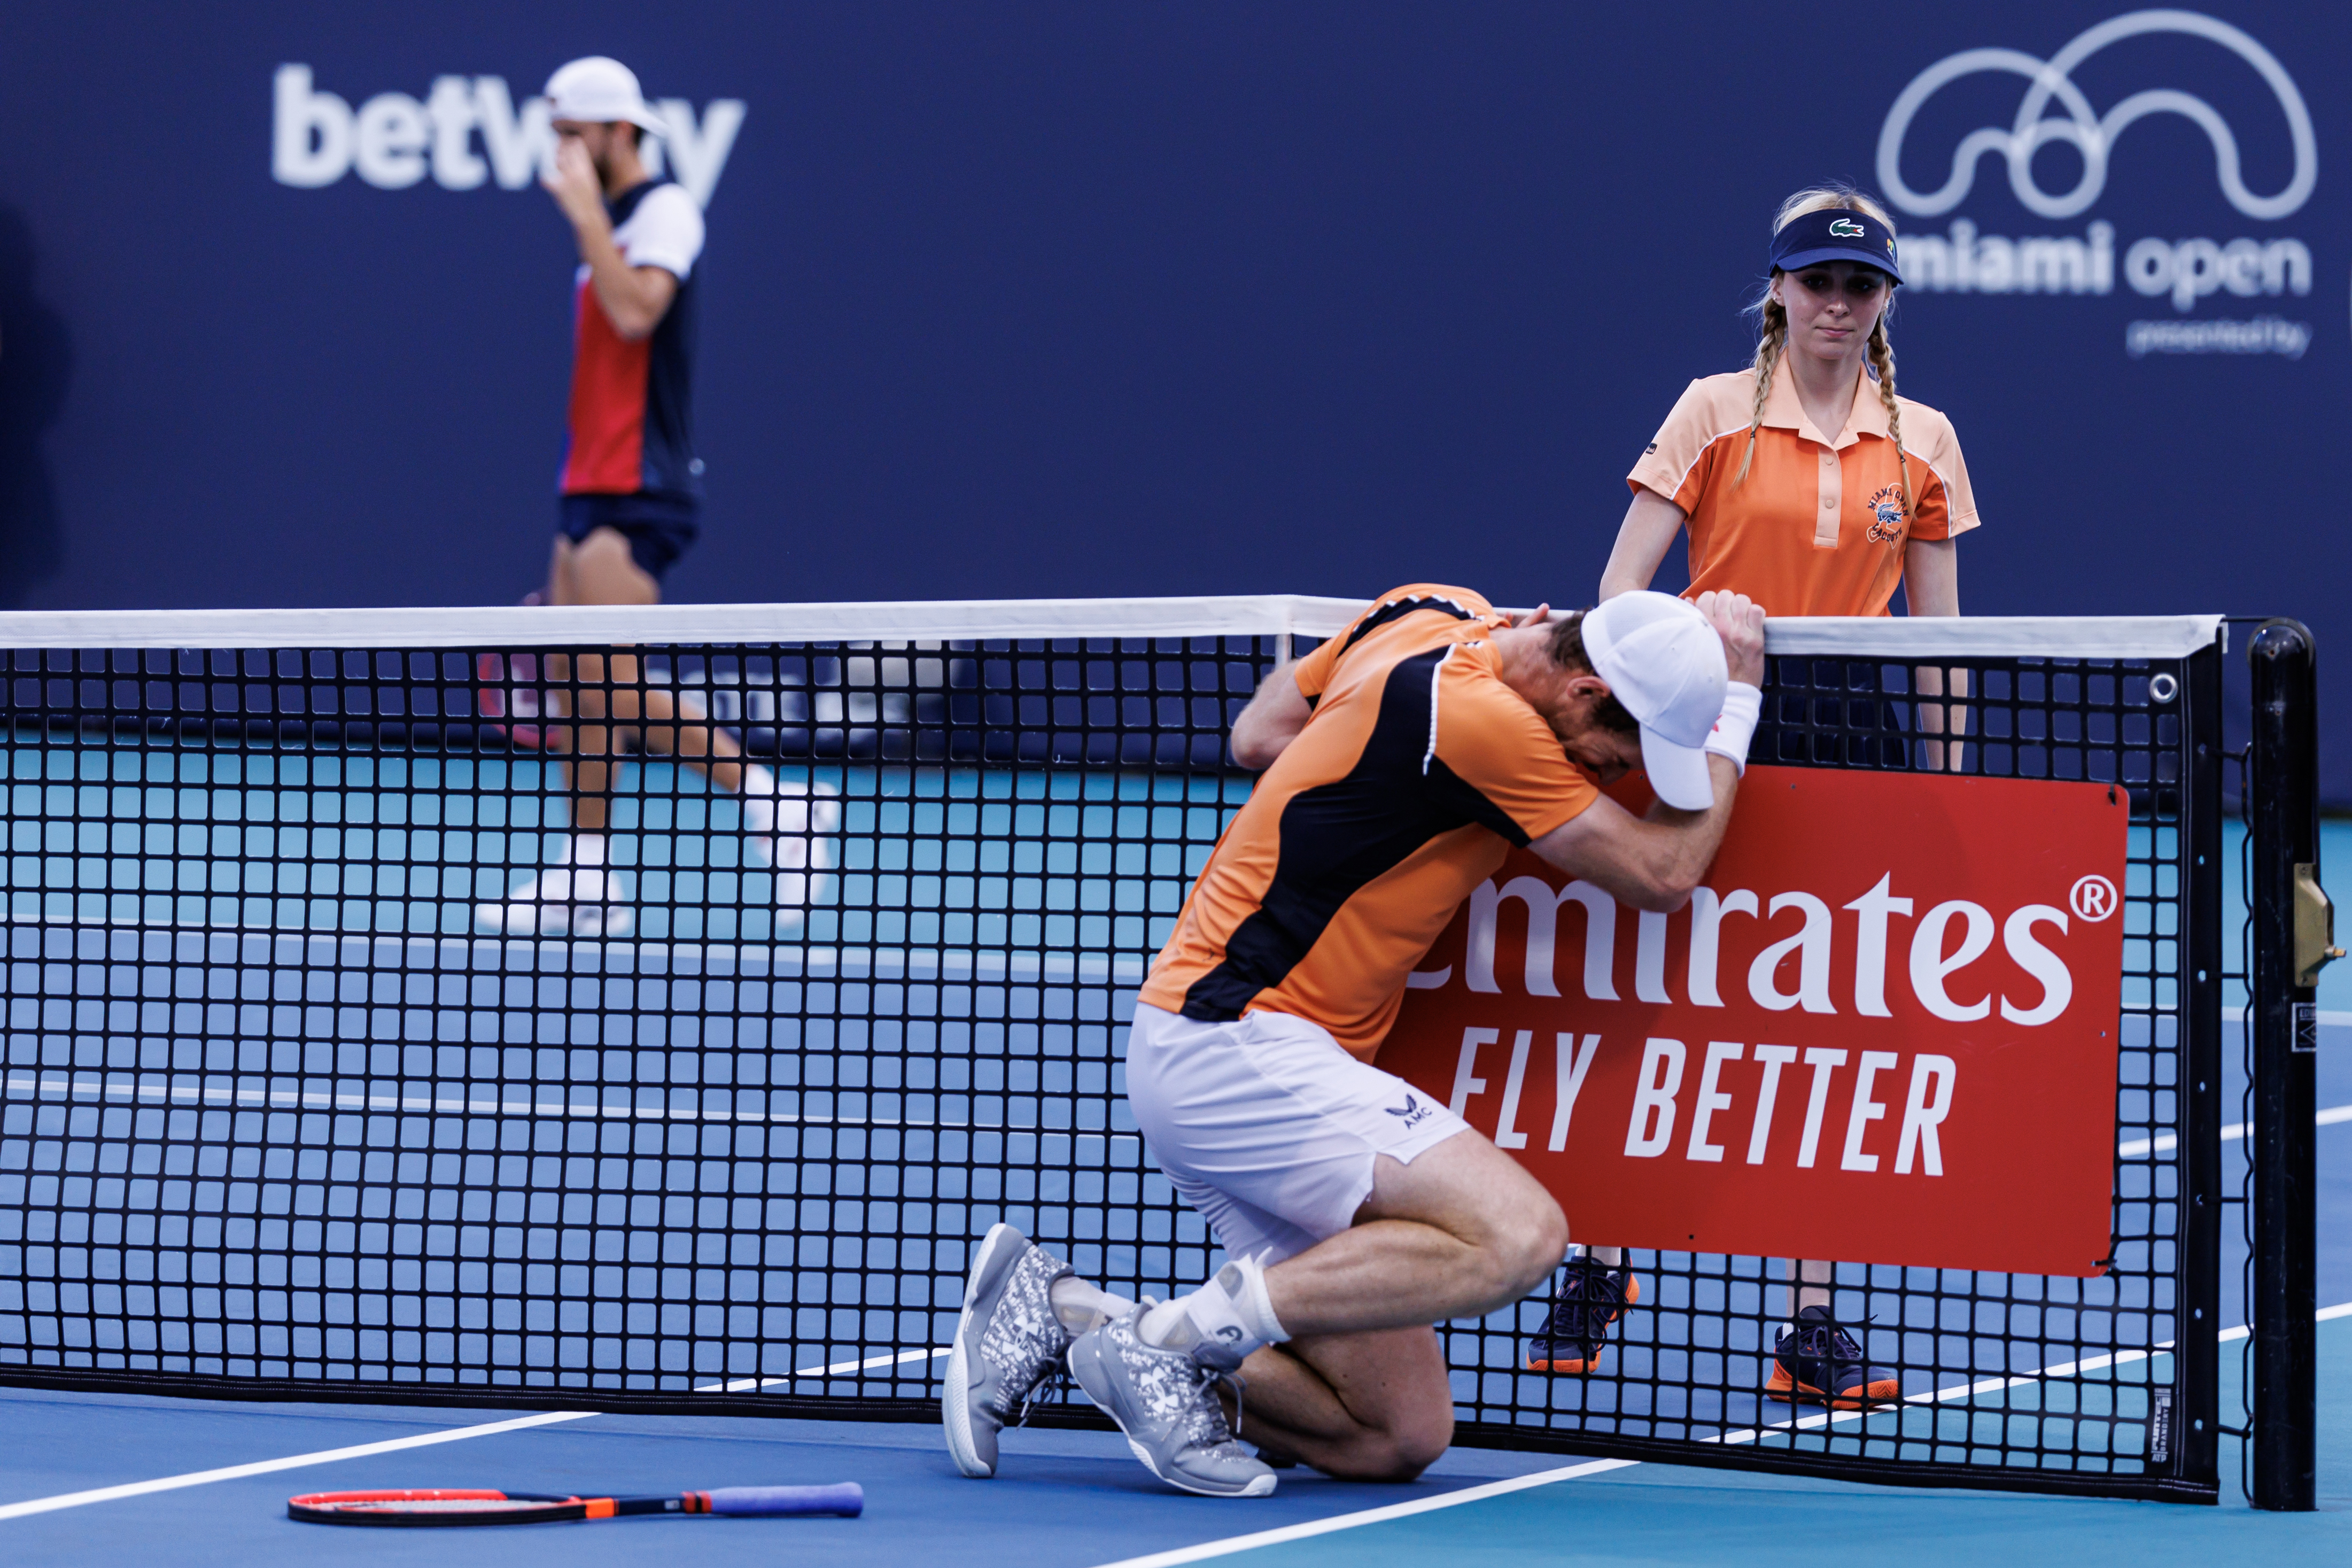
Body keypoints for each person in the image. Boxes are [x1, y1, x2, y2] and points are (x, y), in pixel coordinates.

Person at [942, 583, 1767, 1496]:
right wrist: (1738, 696)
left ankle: (1064, 1313)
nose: (1605, 779)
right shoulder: (1489, 726)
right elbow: (1663, 870)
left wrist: (1381, 782)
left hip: (1218, 1046)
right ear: (1577, 695)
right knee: (1518, 1236)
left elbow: (1257, 737)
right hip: (1241, 1045)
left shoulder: (1427, 608)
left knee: (1390, 1433)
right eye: (1612, 761)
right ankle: (1163, 1343)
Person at [1541, 184, 1980, 1409]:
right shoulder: (1709, 412)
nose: (1835, 302)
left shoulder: (1925, 439)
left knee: (1832, 1016)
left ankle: (1809, 1326)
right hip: (1705, 706)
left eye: (1858, 285)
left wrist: (1944, 785)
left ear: (1883, 301)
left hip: (1853, 725)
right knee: (1652, 974)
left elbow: (1937, 637)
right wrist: (1612, 709)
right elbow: (1620, 587)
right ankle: (1602, 1257)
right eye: (1815, 281)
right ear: (1777, 291)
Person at [476, 56, 830, 938]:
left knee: (610, 680)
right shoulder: (610, 224)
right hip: (585, 483)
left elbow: (638, 312)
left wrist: (587, 217)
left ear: (616, 132)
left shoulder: (664, 209)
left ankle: (778, 802)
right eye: (555, 135)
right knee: (578, 682)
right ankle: (588, 872)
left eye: (571, 135)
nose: (560, 153)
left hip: (641, 487)